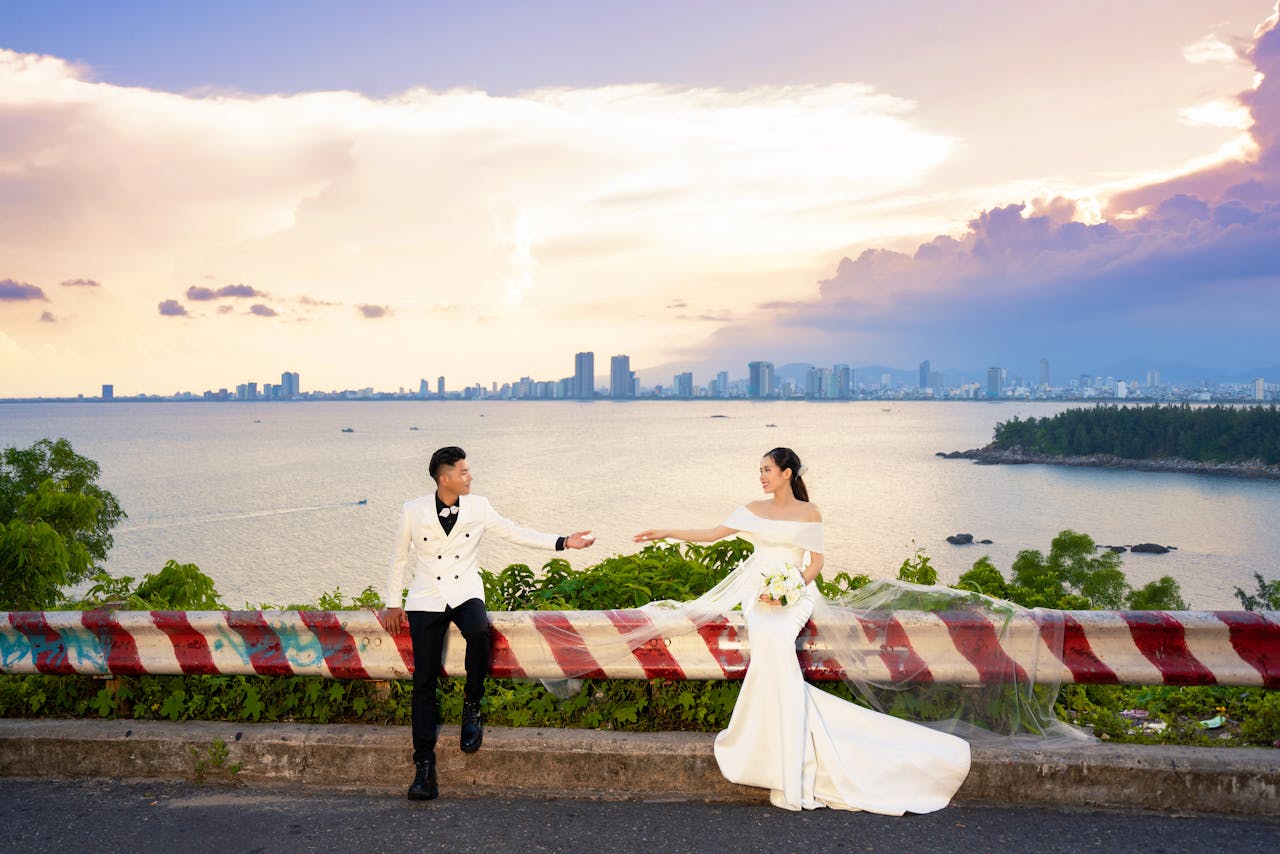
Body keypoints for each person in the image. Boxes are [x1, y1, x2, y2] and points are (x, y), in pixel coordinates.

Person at [633, 447, 971, 814]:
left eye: (766, 469)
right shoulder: (752, 509)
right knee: (769, 645)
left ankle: (786, 758)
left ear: (787, 472)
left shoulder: (810, 513)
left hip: (795, 593)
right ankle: (774, 752)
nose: (761, 476)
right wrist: (665, 531)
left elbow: (816, 564)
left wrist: (791, 589)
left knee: (778, 642)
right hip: (759, 595)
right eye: (759, 470)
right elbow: (712, 534)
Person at [384, 446, 595, 801]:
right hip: (426, 597)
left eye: (469, 471)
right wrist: (393, 603)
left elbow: (515, 532)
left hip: (465, 590)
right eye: (463, 472)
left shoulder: (479, 506)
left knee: (479, 630)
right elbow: (398, 557)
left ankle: (472, 703)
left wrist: (563, 542)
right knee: (423, 681)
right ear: (444, 477)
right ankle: (423, 767)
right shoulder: (412, 510)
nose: (470, 476)